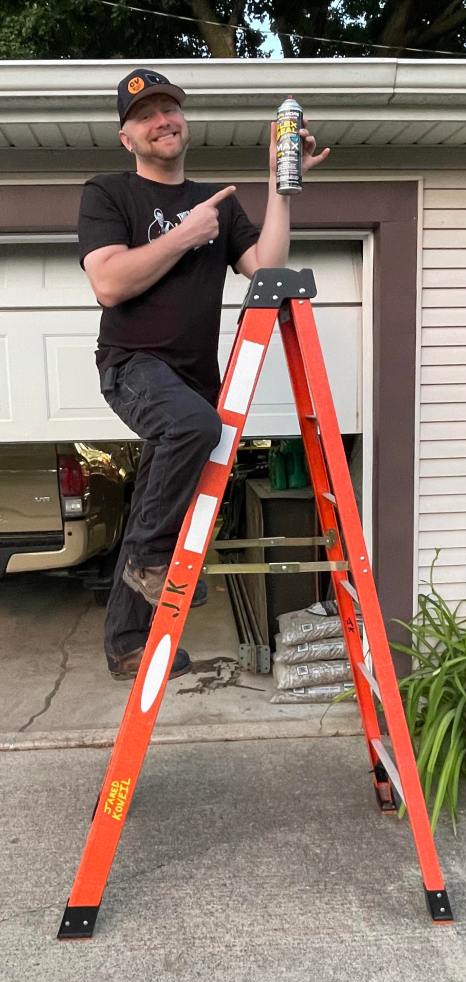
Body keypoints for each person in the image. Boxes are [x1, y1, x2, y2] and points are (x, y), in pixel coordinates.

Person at [78, 67, 330, 681]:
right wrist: (186, 235)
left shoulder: (220, 199)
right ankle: (150, 561)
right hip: (132, 366)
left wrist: (280, 187)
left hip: (191, 381)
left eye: (169, 109)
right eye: (144, 116)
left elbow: (267, 270)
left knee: (162, 496)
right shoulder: (109, 193)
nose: (161, 121)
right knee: (192, 432)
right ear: (127, 138)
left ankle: (127, 645)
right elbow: (109, 283)